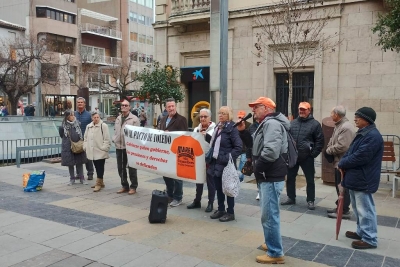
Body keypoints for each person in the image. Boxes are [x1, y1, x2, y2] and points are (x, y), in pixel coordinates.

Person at [247, 97, 288, 264]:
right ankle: (271, 243)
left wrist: (258, 168)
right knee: (268, 214)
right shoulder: (267, 123)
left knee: (269, 215)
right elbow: (255, 145)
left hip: (270, 175)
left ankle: (275, 252)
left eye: (256, 107)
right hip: (268, 175)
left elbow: (270, 151)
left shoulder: (271, 124)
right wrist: (243, 132)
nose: (254, 110)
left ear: (265, 108)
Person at [338, 107, 383, 249]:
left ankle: (370, 238)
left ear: (367, 120)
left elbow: (361, 156)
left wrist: (342, 163)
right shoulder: (363, 133)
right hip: (356, 177)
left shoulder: (372, 136)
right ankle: (361, 231)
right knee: (358, 209)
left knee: (365, 209)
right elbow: (350, 151)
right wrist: (343, 161)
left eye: (358, 117)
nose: (355, 119)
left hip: (364, 178)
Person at [281, 102, 324, 210]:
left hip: (307, 157)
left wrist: (313, 154)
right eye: (300, 109)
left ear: (309, 110)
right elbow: (287, 138)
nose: (301, 111)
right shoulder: (293, 123)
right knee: (290, 178)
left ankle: (310, 200)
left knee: (310, 180)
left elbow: (320, 141)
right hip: (293, 156)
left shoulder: (315, 124)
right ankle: (291, 197)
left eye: (304, 109)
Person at [207, 106, 242, 222]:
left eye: (223, 113)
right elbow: (215, 143)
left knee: (228, 188)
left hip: (226, 164)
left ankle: (230, 212)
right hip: (216, 163)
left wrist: (226, 158)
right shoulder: (218, 127)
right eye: (219, 113)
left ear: (229, 116)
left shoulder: (232, 128)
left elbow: (238, 147)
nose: (220, 115)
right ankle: (221, 209)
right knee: (219, 188)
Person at [325, 105, 355, 219]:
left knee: (342, 187)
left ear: (336, 115)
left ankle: (343, 210)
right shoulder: (339, 125)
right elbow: (333, 141)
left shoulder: (346, 127)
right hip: (339, 161)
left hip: (343, 162)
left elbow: (343, 146)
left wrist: (328, 150)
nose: (330, 115)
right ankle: (340, 206)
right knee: (339, 186)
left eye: (332, 113)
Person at [158, 98, 188, 207]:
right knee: (166, 175)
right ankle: (170, 195)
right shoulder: (163, 119)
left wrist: (170, 134)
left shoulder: (181, 119)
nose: (171, 108)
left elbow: (184, 136)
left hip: (176, 152)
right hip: (165, 152)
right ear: (166, 108)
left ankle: (178, 197)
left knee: (177, 177)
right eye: (169, 106)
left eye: (173, 106)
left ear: (175, 106)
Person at [186, 108, 216, 212]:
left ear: (210, 118)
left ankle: (210, 202)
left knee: (210, 182)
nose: (202, 119)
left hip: (210, 160)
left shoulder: (214, 129)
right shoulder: (196, 129)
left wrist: (206, 136)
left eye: (205, 116)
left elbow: (215, 143)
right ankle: (197, 201)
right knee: (198, 181)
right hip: (199, 159)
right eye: (201, 116)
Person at [113, 99, 140, 195]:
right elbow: (115, 130)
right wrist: (114, 138)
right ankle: (124, 185)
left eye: (126, 105)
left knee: (132, 167)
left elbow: (138, 134)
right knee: (120, 168)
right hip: (119, 146)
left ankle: (133, 186)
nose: (124, 107)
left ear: (129, 107)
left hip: (130, 148)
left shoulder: (134, 119)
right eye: (122, 105)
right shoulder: (118, 118)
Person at [84, 111, 111, 192]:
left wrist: (104, 148)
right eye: (94, 117)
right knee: (96, 166)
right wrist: (85, 146)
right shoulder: (89, 126)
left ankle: (98, 183)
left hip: (100, 150)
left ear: (99, 117)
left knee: (100, 167)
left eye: (97, 117)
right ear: (92, 118)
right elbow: (85, 138)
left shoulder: (103, 126)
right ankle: (101, 182)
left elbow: (107, 138)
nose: (96, 119)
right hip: (92, 150)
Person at [59, 109, 88, 185]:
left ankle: (82, 178)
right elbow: (62, 135)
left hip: (78, 144)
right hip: (68, 146)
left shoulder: (78, 123)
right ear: (67, 116)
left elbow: (80, 133)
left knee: (79, 162)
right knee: (70, 163)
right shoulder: (62, 126)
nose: (73, 116)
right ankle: (72, 179)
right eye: (71, 115)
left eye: (73, 114)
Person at [75, 97, 95, 180]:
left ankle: (90, 173)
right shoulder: (73, 114)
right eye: (78, 102)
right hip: (76, 140)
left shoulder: (89, 115)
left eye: (81, 102)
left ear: (84, 104)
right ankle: (79, 173)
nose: (80, 104)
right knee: (77, 157)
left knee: (88, 158)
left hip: (86, 139)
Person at [236, 110, 251, 182]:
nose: (240, 118)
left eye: (242, 117)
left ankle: (240, 177)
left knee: (242, 161)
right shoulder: (236, 125)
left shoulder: (249, 125)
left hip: (244, 148)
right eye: (239, 117)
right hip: (237, 147)